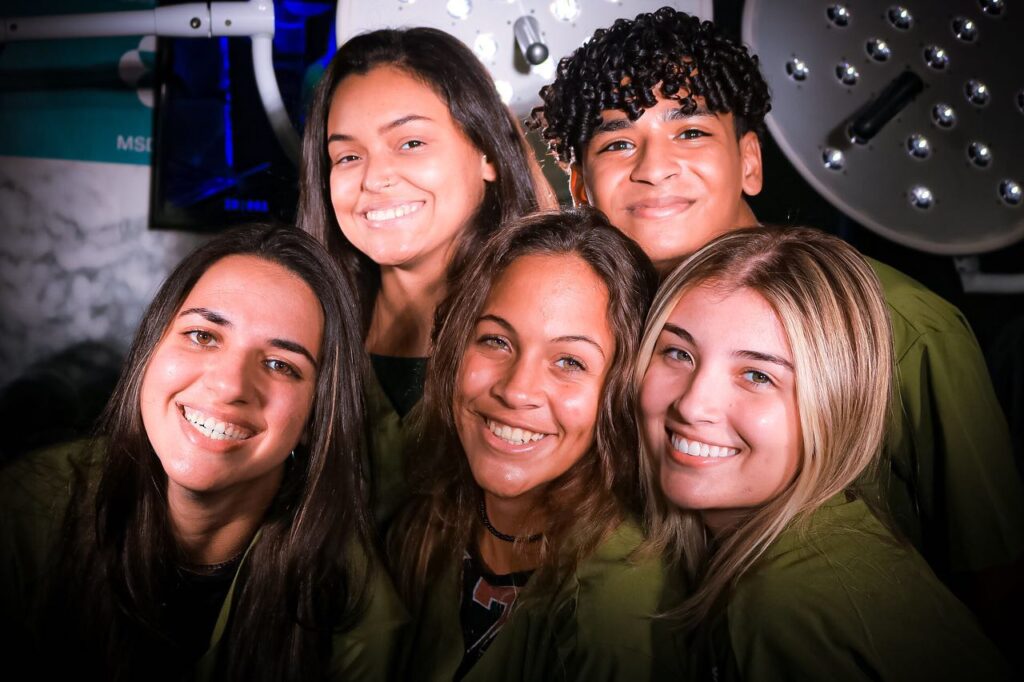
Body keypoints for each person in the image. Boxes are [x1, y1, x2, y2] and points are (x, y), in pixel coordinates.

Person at [531, 5, 1024, 622]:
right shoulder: (584, 335)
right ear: (581, 189)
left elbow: (996, 583)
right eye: (619, 142)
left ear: (750, 162)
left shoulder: (904, 327)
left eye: (690, 132)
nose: (654, 168)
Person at [0, 225, 406, 681]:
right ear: (150, 351)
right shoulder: (24, 511)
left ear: (316, 417)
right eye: (203, 336)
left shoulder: (351, 608)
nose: (230, 385)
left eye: (280, 364)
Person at [636, 226, 1010, 680]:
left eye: (757, 376)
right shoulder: (819, 545)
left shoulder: (786, 604)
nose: (693, 404)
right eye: (678, 353)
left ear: (836, 403)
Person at [389, 208, 678, 680]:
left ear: (624, 390)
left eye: (570, 362)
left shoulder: (619, 605)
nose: (517, 390)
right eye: (496, 341)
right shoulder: (426, 523)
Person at [299, 27, 546, 525]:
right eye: (348, 156)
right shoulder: (304, 328)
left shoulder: (551, 333)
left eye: (410, 142)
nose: (374, 178)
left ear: (488, 154)